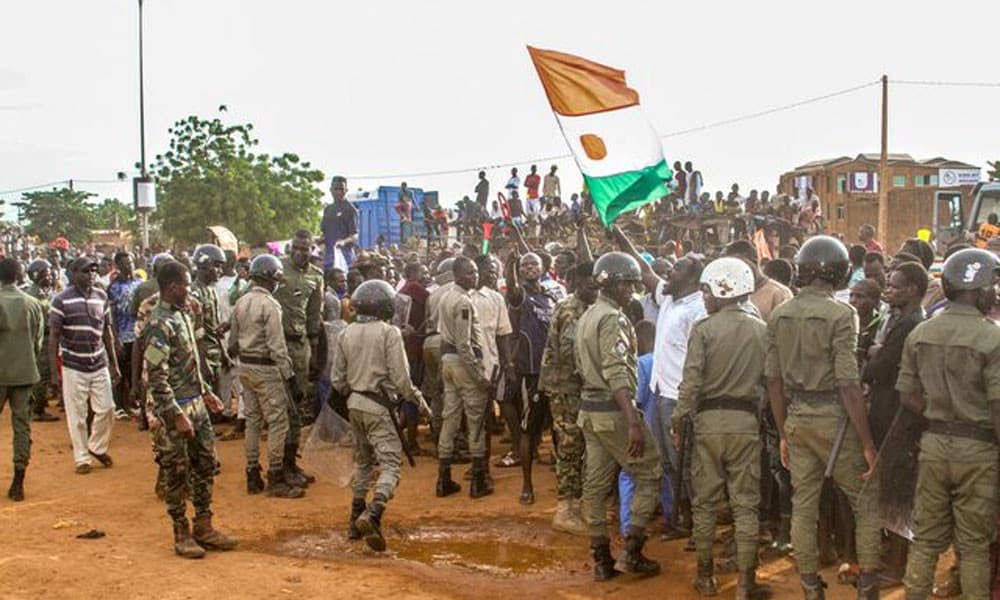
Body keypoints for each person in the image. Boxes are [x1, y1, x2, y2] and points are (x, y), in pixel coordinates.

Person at [765, 235, 880, 600]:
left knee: (803, 505)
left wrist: (784, 432)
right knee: (865, 501)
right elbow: (848, 382)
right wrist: (866, 444)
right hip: (834, 418)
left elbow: (773, 379)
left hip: (797, 417)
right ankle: (868, 589)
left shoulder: (780, 313)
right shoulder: (842, 314)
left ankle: (811, 587)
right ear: (840, 272)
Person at [896, 248, 1000, 600]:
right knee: (973, 546)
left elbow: (907, 396)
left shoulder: (922, 332)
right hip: (979, 451)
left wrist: (939, 414)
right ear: (980, 288)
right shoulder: (993, 338)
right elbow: (998, 406)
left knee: (925, 540)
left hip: (934, 447)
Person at [675, 257, 770, 600]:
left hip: (707, 425)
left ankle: (705, 576)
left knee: (705, 504)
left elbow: (691, 383)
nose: (704, 297)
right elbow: (769, 381)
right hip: (746, 423)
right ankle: (746, 584)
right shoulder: (762, 329)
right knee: (746, 505)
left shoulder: (704, 329)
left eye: (707, 290)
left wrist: (679, 421)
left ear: (722, 288)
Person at [576, 251, 661, 581]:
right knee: (651, 472)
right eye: (628, 284)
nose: (632, 290)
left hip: (591, 411)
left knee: (595, 487)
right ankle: (632, 551)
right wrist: (632, 422)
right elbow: (617, 372)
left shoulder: (589, 315)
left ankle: (601, 559)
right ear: (612, 283)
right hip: (613, 411)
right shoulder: (613, 318)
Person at [615, 225, 705, 537]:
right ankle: (678, 520)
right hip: (659, 394)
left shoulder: (698, 309)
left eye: (677, 268)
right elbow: (644, 270)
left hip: (679, 399)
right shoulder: (669, 299)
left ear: (692, 279)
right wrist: (622, 238)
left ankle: (696, 525)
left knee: (686, 463)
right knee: (667, 462)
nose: (668, 274)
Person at [142, 261, 236, 558]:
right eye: (185, 283)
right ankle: (181, 532)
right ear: (171, 287)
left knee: (206, 462)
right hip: (176, 410)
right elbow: (156, 375)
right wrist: (175, 414)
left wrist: (206, 393)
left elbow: (189, 362)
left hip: (196, 404)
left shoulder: (183, 315)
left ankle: (204, 525)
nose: (189, 288)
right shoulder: (158, 324)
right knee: (176, 473)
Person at [334, 280, 427, 552]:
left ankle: (354, 518)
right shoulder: (389, 333)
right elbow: (401, 379)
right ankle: (373, 513)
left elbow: (338, 380)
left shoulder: (345, 333)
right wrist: (418, 400)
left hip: (355, 405)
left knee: (363, 462)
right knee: (390, 465)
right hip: (379, 407)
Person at [860, 261, 927, 586]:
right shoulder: (898, 318)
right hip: (888, 410)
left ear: (913, 290)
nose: (888, 290)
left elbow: (881, 368)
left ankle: (897, 566)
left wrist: (875, 354)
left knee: (897, 492)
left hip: (899, 416)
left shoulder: (911, 323)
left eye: (896, 286)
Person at [229, 255, 304, 499]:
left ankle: (252, 472)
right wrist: (290, 377)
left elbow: (232, 343)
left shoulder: (241, 302)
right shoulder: (270, 305)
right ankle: (275, 475)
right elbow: (277, 346)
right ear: (272, 278)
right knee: (278, 422)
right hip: (267, 367)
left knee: (252, 420)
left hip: (245, 366)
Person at [542, 259, 598, 535]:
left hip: (574, 388)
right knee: (569, 445)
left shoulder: (583, 307)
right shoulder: (571, 311)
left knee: (580, 444)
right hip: (566, 388)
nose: (595, 289)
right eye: (591, 285)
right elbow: (571, 353)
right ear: (578, 283)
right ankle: (565, 509)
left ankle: (578, 505)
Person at [49, 255, 120, 474]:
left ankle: (96, 446)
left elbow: (107, 332)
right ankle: (82, 458)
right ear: (73, 274)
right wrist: (54, 372)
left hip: (99, 362)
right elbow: (54, 337)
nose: (91, 275)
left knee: (107, 409)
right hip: (73, 364)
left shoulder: (101, 296)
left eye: (94, 271)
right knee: (77, 415)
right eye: (85, 271)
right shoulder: (60, 300)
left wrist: (114, 364)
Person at [504, 247, 558, 504]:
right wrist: (510, 265)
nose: (529, 268)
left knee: (559, 426)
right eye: (525, 265)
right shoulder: (519, 296)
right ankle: (527, 485)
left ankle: (562, 476)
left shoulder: (551, 297)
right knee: (528, 430)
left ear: (543, 268)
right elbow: (512, 287)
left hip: (555, 372)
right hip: (531, 372)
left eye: (533, 264)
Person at [435, 256, 493, 498]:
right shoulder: (463, 302)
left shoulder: (445, 295)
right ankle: (478, 481)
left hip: (448, 362)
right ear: (457, 275)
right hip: (462, 363)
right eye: (469, 272)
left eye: (475, 272)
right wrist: (479, 375)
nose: (475, 276)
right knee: (476, 419)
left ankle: (443, 478)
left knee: (450, 417)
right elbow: (464, 344)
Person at [273, 230, 324, 487]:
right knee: (280, 407)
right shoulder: (277, 270)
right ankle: (278, 466)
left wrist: (313, 352)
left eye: (306, 249)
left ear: (312, 249)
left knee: (298, 404)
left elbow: (315, 316)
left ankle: (291, 462)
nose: (301, 253)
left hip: (301, 345)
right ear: (290, 248)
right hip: (276, 346)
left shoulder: (316, 276)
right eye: (297, 248)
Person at [0, 258, 45, 501]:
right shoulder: (34, 304)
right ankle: (18, 481)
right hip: (25, 373)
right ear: (19, 277)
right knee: (22, 427)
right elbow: (38, 342)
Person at [191, 244, 230, 398]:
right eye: (217, 266)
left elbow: (215, 327)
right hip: (202, 354)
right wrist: (202, 362)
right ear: (205, 265)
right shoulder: (194, 293)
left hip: (214, 353)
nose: (220, 271)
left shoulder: (212, 291)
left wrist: (224, 353)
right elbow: (195, 333)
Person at [107, 251, 142, 418]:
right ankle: (120, 405)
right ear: (118, 266)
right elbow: (111, 315)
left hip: (136, 334)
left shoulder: (139, 284)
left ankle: (134, 402)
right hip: (122, 334)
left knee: (135, 371)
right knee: (120, 370)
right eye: (126, 263)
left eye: (131, 262)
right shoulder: (113, 287)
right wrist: (115, 339)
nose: (130, 266)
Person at [24, 259, 58, 422]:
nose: (50, 276)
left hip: (48, 336)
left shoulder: (45, 292)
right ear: (36, 275)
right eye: (47, 273)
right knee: (42, 374)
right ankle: (37, 410)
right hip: (41, 338)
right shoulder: (33, 294)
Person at [321, 176, 359, 270]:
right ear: (331, 190)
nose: (338, 192)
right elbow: (325, 234)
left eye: (341, 189)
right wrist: (317, 240)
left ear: (346, 190)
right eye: (336, 189)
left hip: (344, 256)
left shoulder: (350, 209)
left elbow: (354, 235)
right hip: (328, 256)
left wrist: (343, 242)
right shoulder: (328, 209)